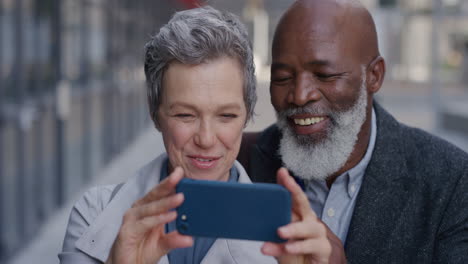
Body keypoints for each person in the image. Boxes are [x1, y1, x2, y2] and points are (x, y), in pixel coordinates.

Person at [58, 6, 315, 264]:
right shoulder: (94, 215)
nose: (205, 139)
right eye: (185, 115)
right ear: (155, 113)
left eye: (226, 116)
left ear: (247, 114)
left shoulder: (290, 242)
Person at [240, 0, 468, 263]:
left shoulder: (451, 183)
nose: (300, 95)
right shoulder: (239, 163)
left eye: (324, 75)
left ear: (374, 76)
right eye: (282, 78)